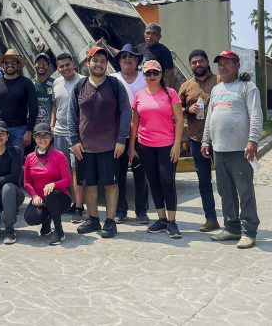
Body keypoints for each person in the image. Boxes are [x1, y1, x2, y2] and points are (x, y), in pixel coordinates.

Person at [201, 50, 262, 249]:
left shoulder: (247, 87)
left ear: (237, 65)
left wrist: (253, 140)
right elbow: (210, 117)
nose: (223, 67)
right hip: (219, 150)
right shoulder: (217, 89)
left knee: (244, 191)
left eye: (227, 63)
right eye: (220, 64)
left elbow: (256, 115)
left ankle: (249, 231)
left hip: (240, 150)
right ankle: (231, 227)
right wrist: (205, 141)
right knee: (225, 191)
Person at [69, 46, 130, 238]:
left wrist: (121, 140)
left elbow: (126, 112)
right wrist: (74, 140)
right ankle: (93, 219)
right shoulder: (79, 86)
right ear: (88, 64)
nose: (99, 64)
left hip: (110, 146)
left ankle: (110, 221)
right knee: (89, 185)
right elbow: (72, 115)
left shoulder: (115, 85)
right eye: (95, 61)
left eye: (103, 61)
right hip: (85, 147)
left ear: (106, 65)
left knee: (111, 185)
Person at [128, 60, 185, 238]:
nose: (152, 76)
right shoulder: (139, 96)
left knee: (167, 182)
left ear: (161, 74)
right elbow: (134, 123)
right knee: (153, 182)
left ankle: (172, 222)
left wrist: (177, 145)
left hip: (166, 146)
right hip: (145, 146)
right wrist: (132, 148)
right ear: (143, 75)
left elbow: (179, 120)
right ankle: (161, 220)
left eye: (155, 72)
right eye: (148, 73)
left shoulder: (171, 94)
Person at [178, 49, 221, 232]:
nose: (198, 65)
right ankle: (211, 219)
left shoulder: (220, 81)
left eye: (200, 61)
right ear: (190, 65)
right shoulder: (186, 86)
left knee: (227, 181)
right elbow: (176, 110)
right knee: (204, 180)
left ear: (207, 62)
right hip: (197, 139)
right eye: (194, 62)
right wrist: (189, 110)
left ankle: (234, 220)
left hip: (220, 139)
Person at [109, 44, 150, 224]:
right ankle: (120, 209)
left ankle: (141, 211)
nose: (127, 59)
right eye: (123, 56)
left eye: (131, 56)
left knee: (141, 174)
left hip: (141, 135)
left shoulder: (145, 78)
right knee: (118, 175)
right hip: (118, 136)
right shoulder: (112, 79)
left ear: (137, 61)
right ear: (119, 61)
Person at [23, 123, 72, 246]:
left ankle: (59, 231)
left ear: (51, 138)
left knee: (50, 192)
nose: (42, 139)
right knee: (31, 218)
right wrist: (34, 196)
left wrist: (54, 184)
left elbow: (67, 180)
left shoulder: (59, 155)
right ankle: (46, 220)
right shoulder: (29, 157)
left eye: (46, 136)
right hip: (40, 199)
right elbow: (26, 182)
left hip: (60, 198)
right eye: (39, 136)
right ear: (34, 138)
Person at [51, 53, 85, 223]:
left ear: (74, 64)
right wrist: (52, 125)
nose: (65, 68)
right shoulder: (56, 83)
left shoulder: (84, 81)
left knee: (76, 171)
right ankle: (70, 202)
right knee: (63, 170)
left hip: (76, 135)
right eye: (61, 66)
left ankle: (79, 207)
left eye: (67, 65)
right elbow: (55, 105)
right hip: (59, 133)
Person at [0, 49, 38, 149]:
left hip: (20, 130)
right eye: (6, 62)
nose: (10, 65)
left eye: (13, 62)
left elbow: (33, 108)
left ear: (18, 65)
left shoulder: (27, 83)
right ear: (2, 65)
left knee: (16, 161)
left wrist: (29, 130)